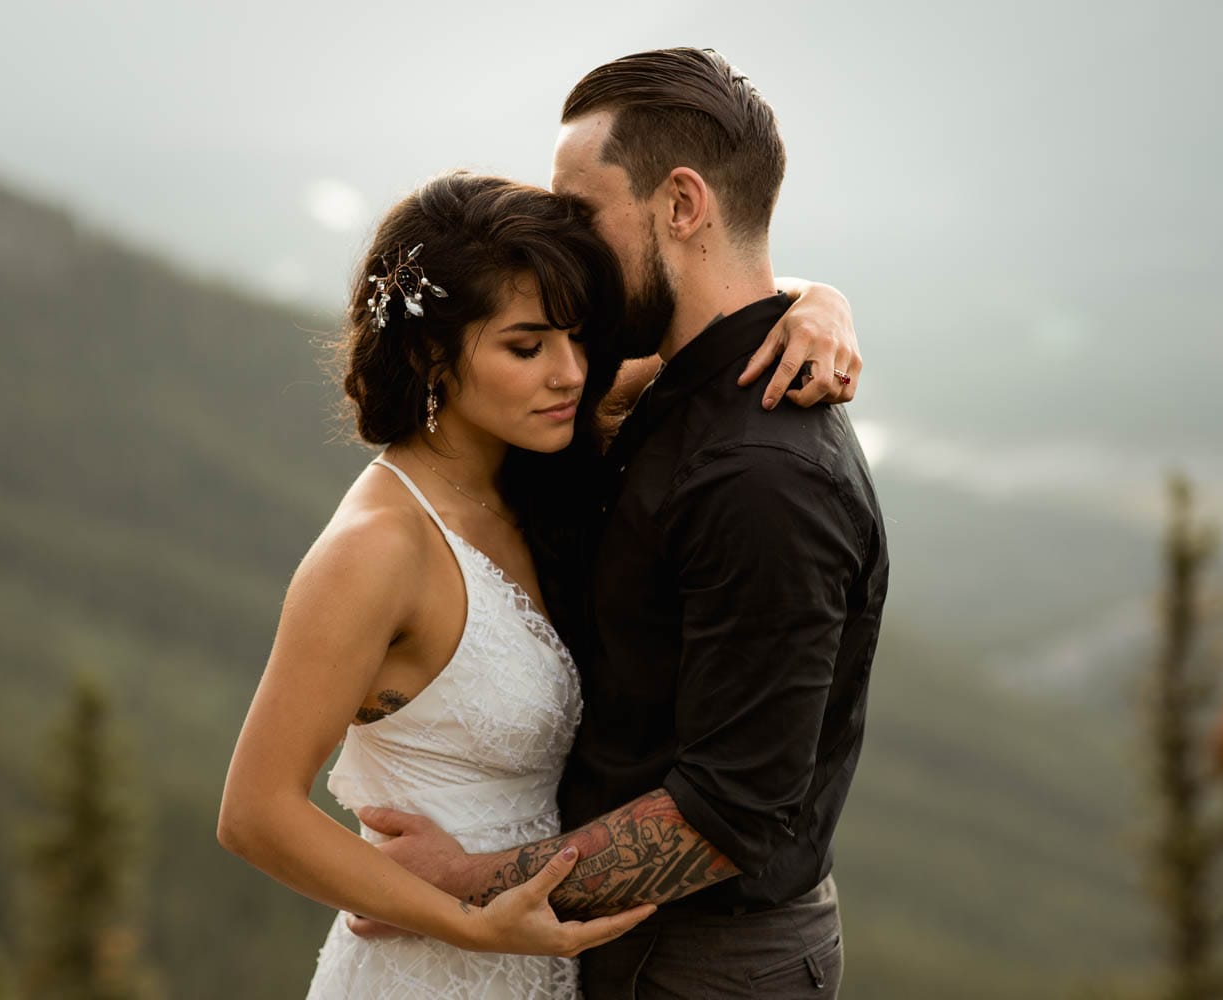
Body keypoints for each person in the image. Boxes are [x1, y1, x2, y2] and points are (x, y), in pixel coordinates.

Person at [216, 170, 863, 997]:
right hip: (431, 966)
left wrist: (820, 302)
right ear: (429, 356)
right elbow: (255, 811)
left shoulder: (539, 452)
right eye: (526, 347)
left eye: (577, 337)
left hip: (544, 962)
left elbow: (725, 315)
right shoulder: (377, 547)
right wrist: (464, 920)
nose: (570, 372)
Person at [351, 49, 889, 999]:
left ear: (681, 206)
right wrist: (815, 296)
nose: (563, 239)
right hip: (625, 948)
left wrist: (466, 889)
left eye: (579, 209)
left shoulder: (761, 479)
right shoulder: (671, 387)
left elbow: (728, 815)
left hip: (701, 966)